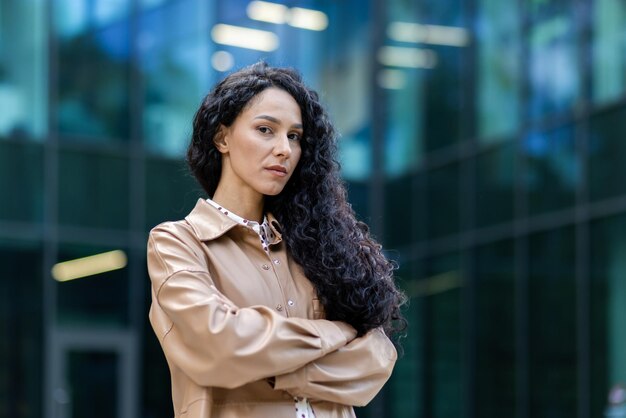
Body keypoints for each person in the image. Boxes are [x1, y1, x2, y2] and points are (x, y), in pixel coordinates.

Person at [147, 62, 406, 418]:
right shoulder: (178, 243)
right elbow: (222, 345)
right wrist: (335, 335)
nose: (284, 149)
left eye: (294, 136)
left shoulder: (316, 244)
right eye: (266, 129)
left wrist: (275, 366)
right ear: (222, 138)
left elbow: (376, 360)